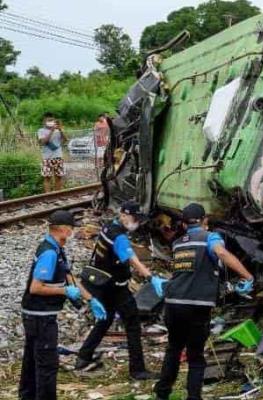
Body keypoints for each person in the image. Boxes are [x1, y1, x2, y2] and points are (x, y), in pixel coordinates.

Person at [154, 203, 254, 400]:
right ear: (204, 221)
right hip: (196, 305)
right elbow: (221, 253)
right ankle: (193, 397)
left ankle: (162, 394)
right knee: (195, 356)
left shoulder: (178, 243)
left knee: (173, 349)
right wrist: (247, 276)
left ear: (184, 224)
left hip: (173, 303)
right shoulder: (210, 237)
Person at [19, 210, 107, 400]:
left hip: (37, 315)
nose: (73, 232)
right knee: (47, 364)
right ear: (64, 229)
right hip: (40, 316)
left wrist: (90, 299)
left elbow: (69, 276)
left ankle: (27, 396)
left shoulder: (57, 248)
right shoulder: (49, 253)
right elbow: (36, 287)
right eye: (72, 228)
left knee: (32, 360)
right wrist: (64, 291)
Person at [74, 201, 165, 380]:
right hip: (116, 288)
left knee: (105, 320)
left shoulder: (108, 227)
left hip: (102, 284)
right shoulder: (119, 238)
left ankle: (83, 357)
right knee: (132, 324)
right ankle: (137, 370)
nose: (137, 223)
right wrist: (151, 278)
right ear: (123, 215)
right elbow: (132, 259)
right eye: (134, 218)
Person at [37, 112, 68, 193]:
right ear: (44, 121)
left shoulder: (58, 130)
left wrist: (60, 130)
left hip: (58, 156)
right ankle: (48, 196)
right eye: (48, 120)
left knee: (59, 177)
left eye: (52, 120)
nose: (50, 122)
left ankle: (58, 195)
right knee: (47, 178)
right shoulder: (41, 131)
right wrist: (51, 131)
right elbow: (43, 142)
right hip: (47, 158)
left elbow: (65, 140)